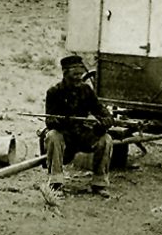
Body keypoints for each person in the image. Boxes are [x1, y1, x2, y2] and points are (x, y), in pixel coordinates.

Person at [44, 55, 114, 197]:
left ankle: (99, 184)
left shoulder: (86, 90)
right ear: (65, 74)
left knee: (106, 139)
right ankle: (55, 184)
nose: (78, 78)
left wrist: (107, 119)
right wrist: (61, 121)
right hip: (65, 136)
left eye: (80, 74)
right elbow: (49, 121)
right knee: (52, 136)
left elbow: (100, 109)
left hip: (82, 135)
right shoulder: (54, 92)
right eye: (74, 74)